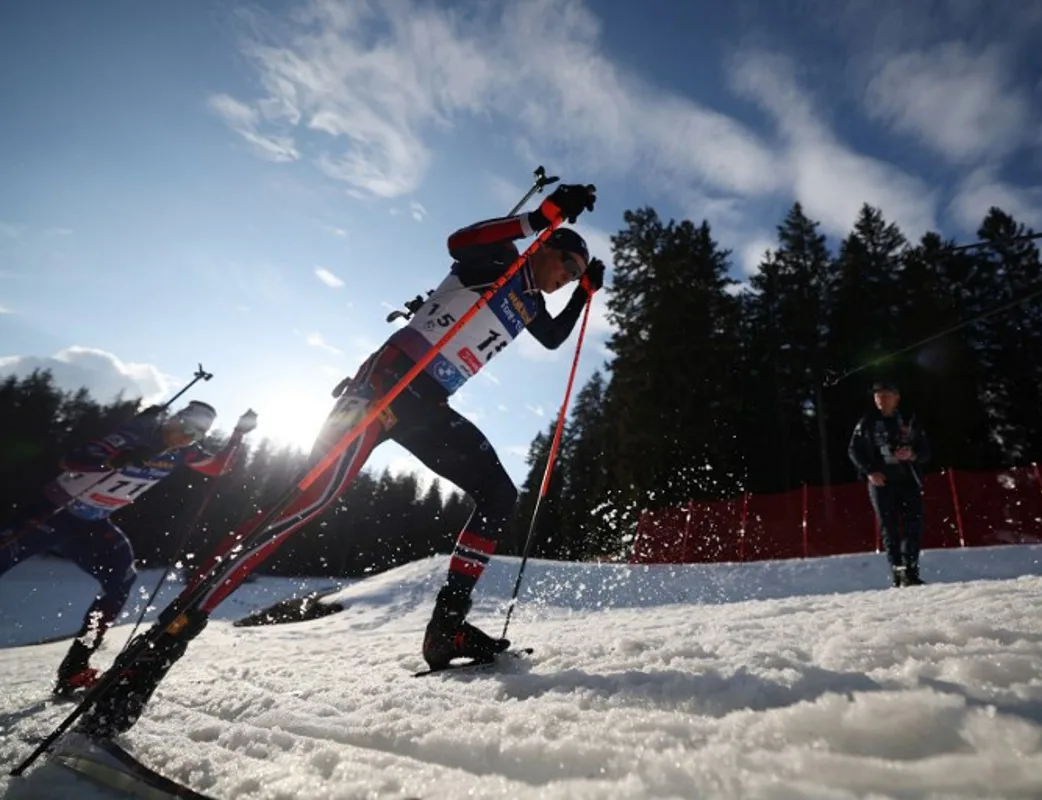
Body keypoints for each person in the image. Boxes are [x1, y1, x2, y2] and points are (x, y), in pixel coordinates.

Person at [76, 182, 604, 739]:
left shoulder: (532, 302)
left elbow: (552, 337)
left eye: (574, 274)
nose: (567, 277)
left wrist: (583, 295)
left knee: (499, 494)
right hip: (383, 386)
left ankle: (447, 629)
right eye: (567, 265)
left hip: (426, 403)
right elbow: (459, 240)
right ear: (548, 246)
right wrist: (540, 217)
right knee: (302, 505)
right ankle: (155, 649)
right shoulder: (501, 260)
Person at [0, 400, 257, 695]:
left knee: (121, 582)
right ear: (175, 419)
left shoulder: (182, 451)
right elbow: (72, 460)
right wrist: (116, 459)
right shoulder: (136, 435)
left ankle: (74, 668)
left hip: (92, 524)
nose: (188, 438)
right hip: (53, 512)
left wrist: (239, 433)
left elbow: (219, 467)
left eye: (198, 435)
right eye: (186, 429)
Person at [847, 381, 932, 587]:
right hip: (881, 483)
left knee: (914, 525)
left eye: (885, 395)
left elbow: (925, 451)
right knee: (889, 527)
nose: (881, 399)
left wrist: (912, 454)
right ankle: (898, 571)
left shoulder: (908, 421)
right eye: (877, 395)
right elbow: (854, 450)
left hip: (908, 481)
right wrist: (870, 471)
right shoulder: (867, 422)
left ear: (896, 397)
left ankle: (911, 570)